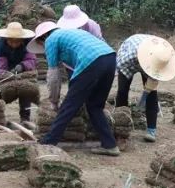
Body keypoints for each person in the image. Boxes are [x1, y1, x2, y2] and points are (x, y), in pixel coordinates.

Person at [27, 21, 120, 156]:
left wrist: (54, 100)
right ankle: (110, 145)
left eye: (41, 44)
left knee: (69, 106)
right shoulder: (72, 33)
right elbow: (73, 70)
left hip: (91, 61)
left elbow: (53, 75)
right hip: (110, 58)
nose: (43, 47)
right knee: (95, 106)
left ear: (43, 37)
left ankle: (49, 141)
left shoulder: (51, 39)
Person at [115, 34, 175, 143]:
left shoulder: (163, 55)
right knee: (122, 91)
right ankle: (120, 124)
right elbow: (119, 67)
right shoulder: (128, 57)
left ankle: (151, 130)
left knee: (151, 94)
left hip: (153, 59)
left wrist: (145, 96)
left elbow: (151, 87)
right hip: (132, 57)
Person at [0, 21, 38, 121]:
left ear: (22, 40)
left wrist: (22, 65)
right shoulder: (1, 46)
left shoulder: (28, 43)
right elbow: (1, 66)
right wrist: (5, 75)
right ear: (6, 39)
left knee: (26, 90)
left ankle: (25, 118)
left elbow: (32, 60)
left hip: (23, 70)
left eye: (17, 41)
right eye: (11, 41)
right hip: (8, 70)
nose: (14, 44)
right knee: (0, 91)